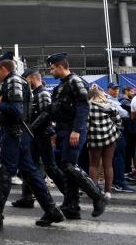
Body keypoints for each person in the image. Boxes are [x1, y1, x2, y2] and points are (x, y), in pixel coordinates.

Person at [0, 54, 64, 229]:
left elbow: (16, 111)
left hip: (14, 134)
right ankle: (51, 210)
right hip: (19, 134)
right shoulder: (16, 81)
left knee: (5, 174)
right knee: (30, 173)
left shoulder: (13, 81)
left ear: (3, 69)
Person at [47, 52, 106, 219]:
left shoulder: (75, 81)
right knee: (67, 169)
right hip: (62, 131)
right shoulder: (60, 87)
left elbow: (83, 107)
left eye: (52, 68)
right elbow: (57, 112)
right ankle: (71, 206)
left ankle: (98, 196)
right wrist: (54, 133)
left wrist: (77, 130)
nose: (51, 71)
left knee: (69, 166)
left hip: (73, 131)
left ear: (60, 66)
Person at [12, 68, 67, 208]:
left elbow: (46, 115)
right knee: (29, 167)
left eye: (26, 80)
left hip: (41, 135)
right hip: (34, 136)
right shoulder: (35, 93)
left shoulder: (42, 93)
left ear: (31, 78)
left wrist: (30, 128)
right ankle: (27, 197)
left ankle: (70, 195)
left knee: (50, 167)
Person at [87, 85, 121, 200]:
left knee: (93, 165)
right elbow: (118, 121)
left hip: (94, 139)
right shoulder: (109, 105)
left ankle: (94, 192)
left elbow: (85, 125)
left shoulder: (88, 107)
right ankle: (108, 192)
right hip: (110, 139)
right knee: (108, 165)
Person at [106, 82, 134, 194]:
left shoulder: (116, 100)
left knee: (115, 158)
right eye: (114, 89)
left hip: (114, 132)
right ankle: (119, 183)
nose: (116, 91)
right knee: (119, 158)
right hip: (117, 132)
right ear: (108, 89)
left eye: (117, 89)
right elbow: (124, 114)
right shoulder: (110, 101)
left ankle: (115, 182)